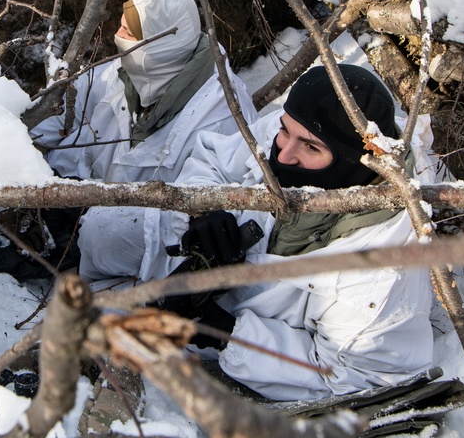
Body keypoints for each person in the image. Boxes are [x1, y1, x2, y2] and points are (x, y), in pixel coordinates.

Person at [134, 64, 437, 401]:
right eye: (284, 131)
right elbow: (214, 159)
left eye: (311, 148)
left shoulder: (383, 271)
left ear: (355, 164)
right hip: (184, 286)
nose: (284, 154)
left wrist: (224, 332)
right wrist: (205, 210)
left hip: (253, 369)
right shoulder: (296, 131)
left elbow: (352, 376)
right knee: (100, 233)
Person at [0, 0, 257, 280]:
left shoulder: (223, 118)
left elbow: (193, 215)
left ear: (162, 45)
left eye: (128, 32)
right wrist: (15, 148)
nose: (116, 37)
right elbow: (62, 110)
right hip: (63, 193)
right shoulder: (126, 72)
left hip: (112, 234)